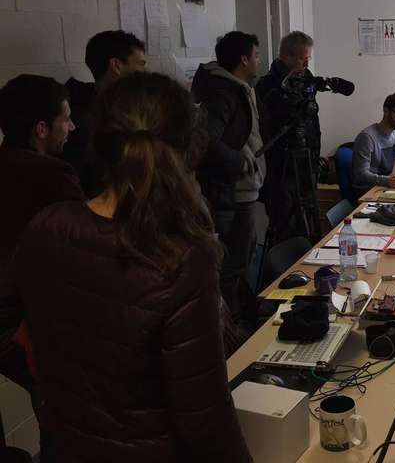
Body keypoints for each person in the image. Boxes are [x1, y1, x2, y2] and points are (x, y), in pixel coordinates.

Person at [11, 72, 252, 463]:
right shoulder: (182, 259)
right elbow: (206, 423)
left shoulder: (48, 225)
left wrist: (48, 389)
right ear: (185, 147)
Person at [0, 75, 85, 460]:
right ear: (41, 129)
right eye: (65, 119)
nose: (72, 127)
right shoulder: (50, 175)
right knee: (63, 420)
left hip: (9, 322)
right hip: (25, 325)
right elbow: (88, 245)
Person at [192, 31, 264, 319]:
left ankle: (241, 313)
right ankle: (234, 328)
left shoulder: (237, 87)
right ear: (244, 59)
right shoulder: (224, 92)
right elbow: (206, 140)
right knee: (234, 263)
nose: (259, 61)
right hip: (230, 192)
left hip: (242, 189)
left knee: (244, 256)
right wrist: (240, 162)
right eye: (256, 55)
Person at [255, 31, 321, 243]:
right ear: (287, 56)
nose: (307, 64)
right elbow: (269, 127)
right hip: (281, 168)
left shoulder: (306, 80)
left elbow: (310, 121)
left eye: (309, 58)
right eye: (304, 58)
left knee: (309, 224)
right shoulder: (267, 86)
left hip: (306, 164)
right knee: (286, 229)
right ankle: (282, 272)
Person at [62, 30, 147, 196]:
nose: (145, 71)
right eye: (141, 64)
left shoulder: (132, 110)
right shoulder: (80, 121)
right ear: (116, 66)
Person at [351, 92, 395, 196]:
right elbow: (361, 174)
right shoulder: (366, 137)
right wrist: (387, 180)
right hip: (367, 191)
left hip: (383, 188)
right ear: (386, 111)